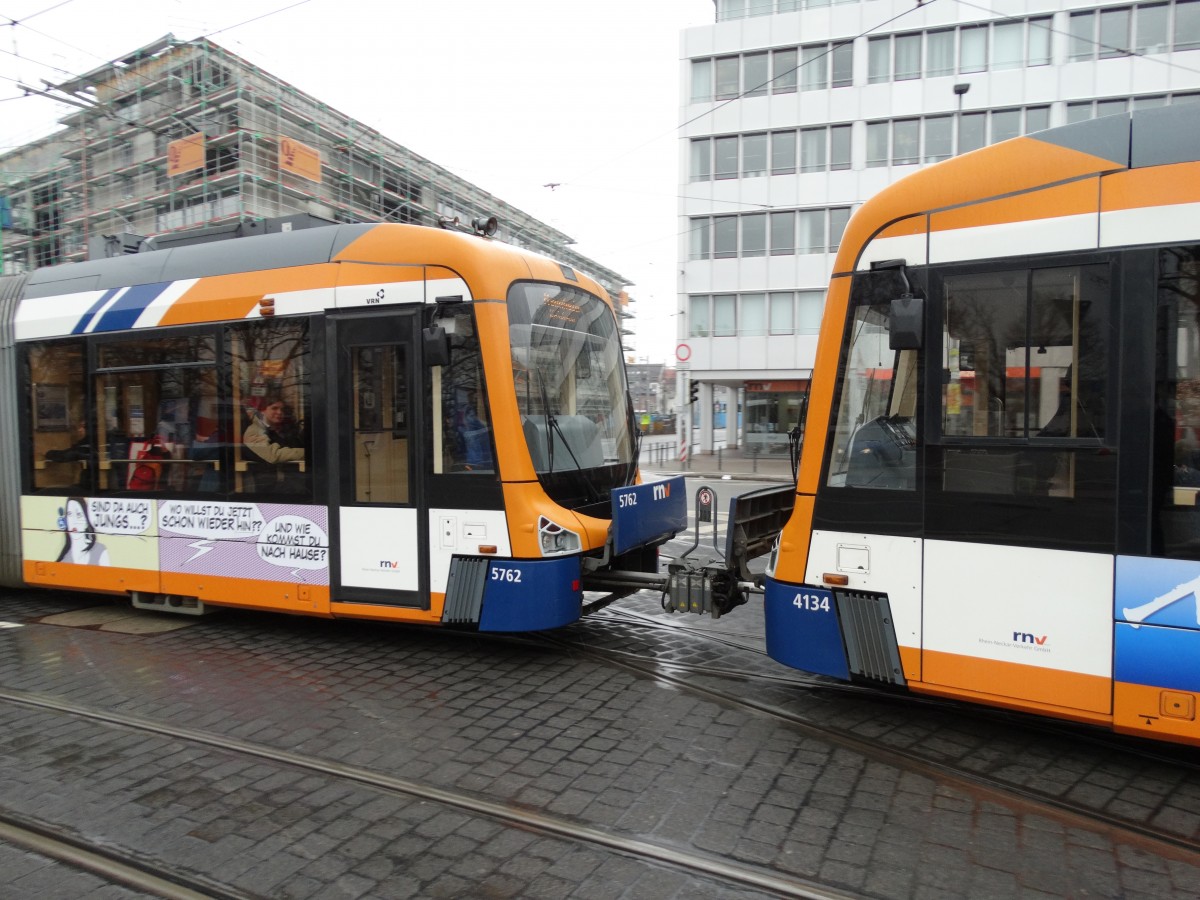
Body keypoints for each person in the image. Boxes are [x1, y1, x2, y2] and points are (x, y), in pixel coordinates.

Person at [243, 398, 305, 492]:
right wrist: (308, 453)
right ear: (262, 410)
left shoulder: (280, 430)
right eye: (274, 408)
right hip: (269, 490)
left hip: (287, 485)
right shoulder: (254, 431)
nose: (280, 412)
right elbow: (273, 455)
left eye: (282, 409)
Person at [56, 496, 110, 565]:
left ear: (86, 521)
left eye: (78, 514)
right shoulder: (62, 560)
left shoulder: (100, 550)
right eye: (70, 514)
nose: (74, 521)